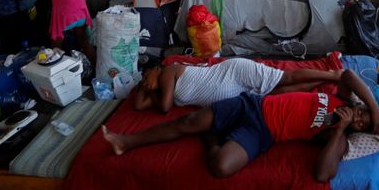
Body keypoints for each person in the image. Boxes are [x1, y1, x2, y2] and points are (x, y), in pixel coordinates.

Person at [102, 69, 379, 181]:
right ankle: (124, 141)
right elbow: (347, 75)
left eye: (361, 123)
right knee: (189, 121)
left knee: (221, 167)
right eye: (362, 112)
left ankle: (212, 138)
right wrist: (375, 110)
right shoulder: (341, 98)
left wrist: (339, 129)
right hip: (253, 104)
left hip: (263, 132)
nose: (358, 117)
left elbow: (323, 175)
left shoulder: (337, 140)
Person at [133, 59, 345, 113]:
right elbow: (139, 105)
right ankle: (323, 80)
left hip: (232, 72)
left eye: (146, 76)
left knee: (285, 78)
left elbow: (165, 108)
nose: (146, 82)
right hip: (231, 93)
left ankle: (331, 74)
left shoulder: (169, 71)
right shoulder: (159, 92)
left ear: (156, 68)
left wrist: (150, 84)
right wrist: (144, 86)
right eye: (144, 81)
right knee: (276, 93)